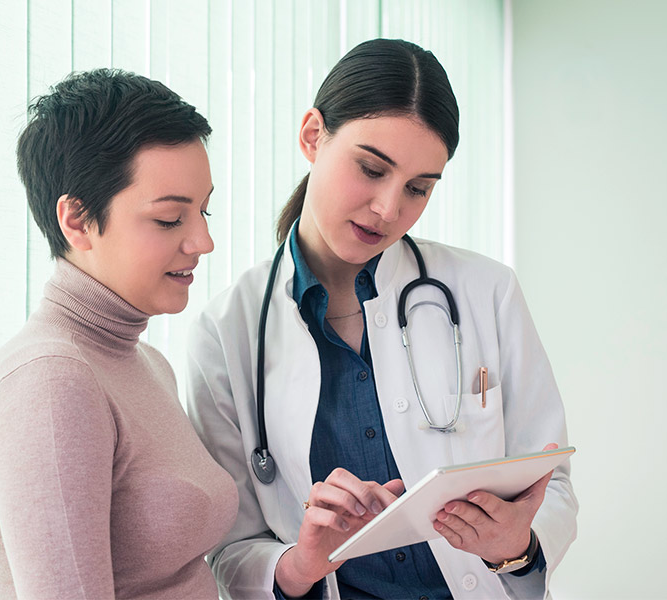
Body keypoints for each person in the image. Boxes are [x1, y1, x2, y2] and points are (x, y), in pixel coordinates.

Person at [184, 38, 577, 599]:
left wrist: (515, 546)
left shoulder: (487, 290)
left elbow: (550, 481)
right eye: (372, 169)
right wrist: (299, 563)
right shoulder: (228, 331)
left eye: (418, 188)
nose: (390, 209)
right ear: (313, 136)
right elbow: (231, 548)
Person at [0, 69, 238, 599]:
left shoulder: (146, 362)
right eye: (169, 219)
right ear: (78, 221)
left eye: (203, 210)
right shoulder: (49, 385)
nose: (203, 240)